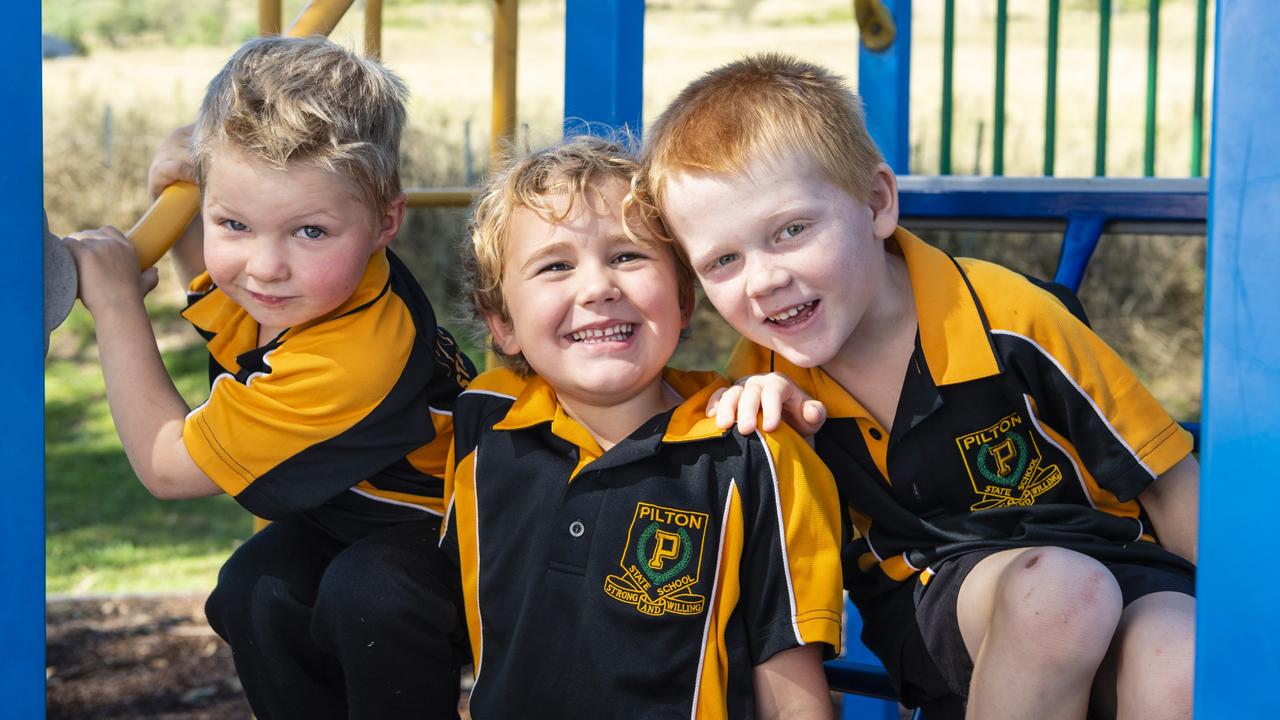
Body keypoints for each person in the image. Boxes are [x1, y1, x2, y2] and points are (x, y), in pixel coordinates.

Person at [636, 54, 1198, 720]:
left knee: (1181, 662)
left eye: (791, 231)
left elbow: (1166, 478)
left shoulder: (1010, 319)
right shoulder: (764, 377)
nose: (762, 280)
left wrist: (1249, 623)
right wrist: (779, 442)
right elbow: (764, 553)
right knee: (1061, 598)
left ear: (876, 203)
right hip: (934, 588)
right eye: (723, 260)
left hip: (1113, 553)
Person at [65, 36, 473, 720]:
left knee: (366, 593)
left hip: (458, 543)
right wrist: (176, 186)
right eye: (233, 222)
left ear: (385, 223)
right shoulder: (308, 289)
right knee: (255, 587)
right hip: (361, 522)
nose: (264, 267)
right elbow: (217, 290)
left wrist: (114, 305)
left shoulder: (354, 354)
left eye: (309, 232)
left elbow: (168, 468)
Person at [441, 135, 844, 718]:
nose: (599, 287)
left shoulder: (756, 452)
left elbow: (790, 688)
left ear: (684, 299)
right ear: (503, 324)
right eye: (555, 266)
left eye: (627, 256)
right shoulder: (482, 421)